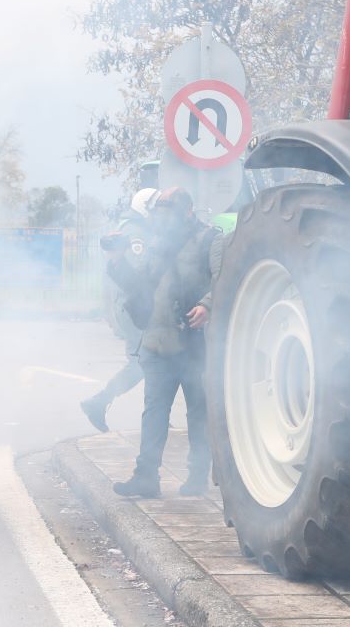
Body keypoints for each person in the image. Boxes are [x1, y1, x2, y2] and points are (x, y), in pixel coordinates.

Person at [106, 187, 220, 498]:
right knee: (154, 410)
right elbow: (139, 286)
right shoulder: (157, 243)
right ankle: (146, 477)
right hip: (157, 341)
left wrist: (208, 304)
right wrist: (118, 260)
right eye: (159, 213)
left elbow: (225, 277)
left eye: (169, 213)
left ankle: (197, 475)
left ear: (188, 211)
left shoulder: (211, 239)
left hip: (195, 343)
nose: (162, 220)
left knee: (198, 412)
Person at [81, 187, 157, 432]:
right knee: (140, 364)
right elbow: (137, 270)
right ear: (146, 208)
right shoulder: (136, 232)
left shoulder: (134, 228)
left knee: (151, 363)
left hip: (132, 307)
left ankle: (157, 416)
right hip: (134, 309)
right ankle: (98, 402)